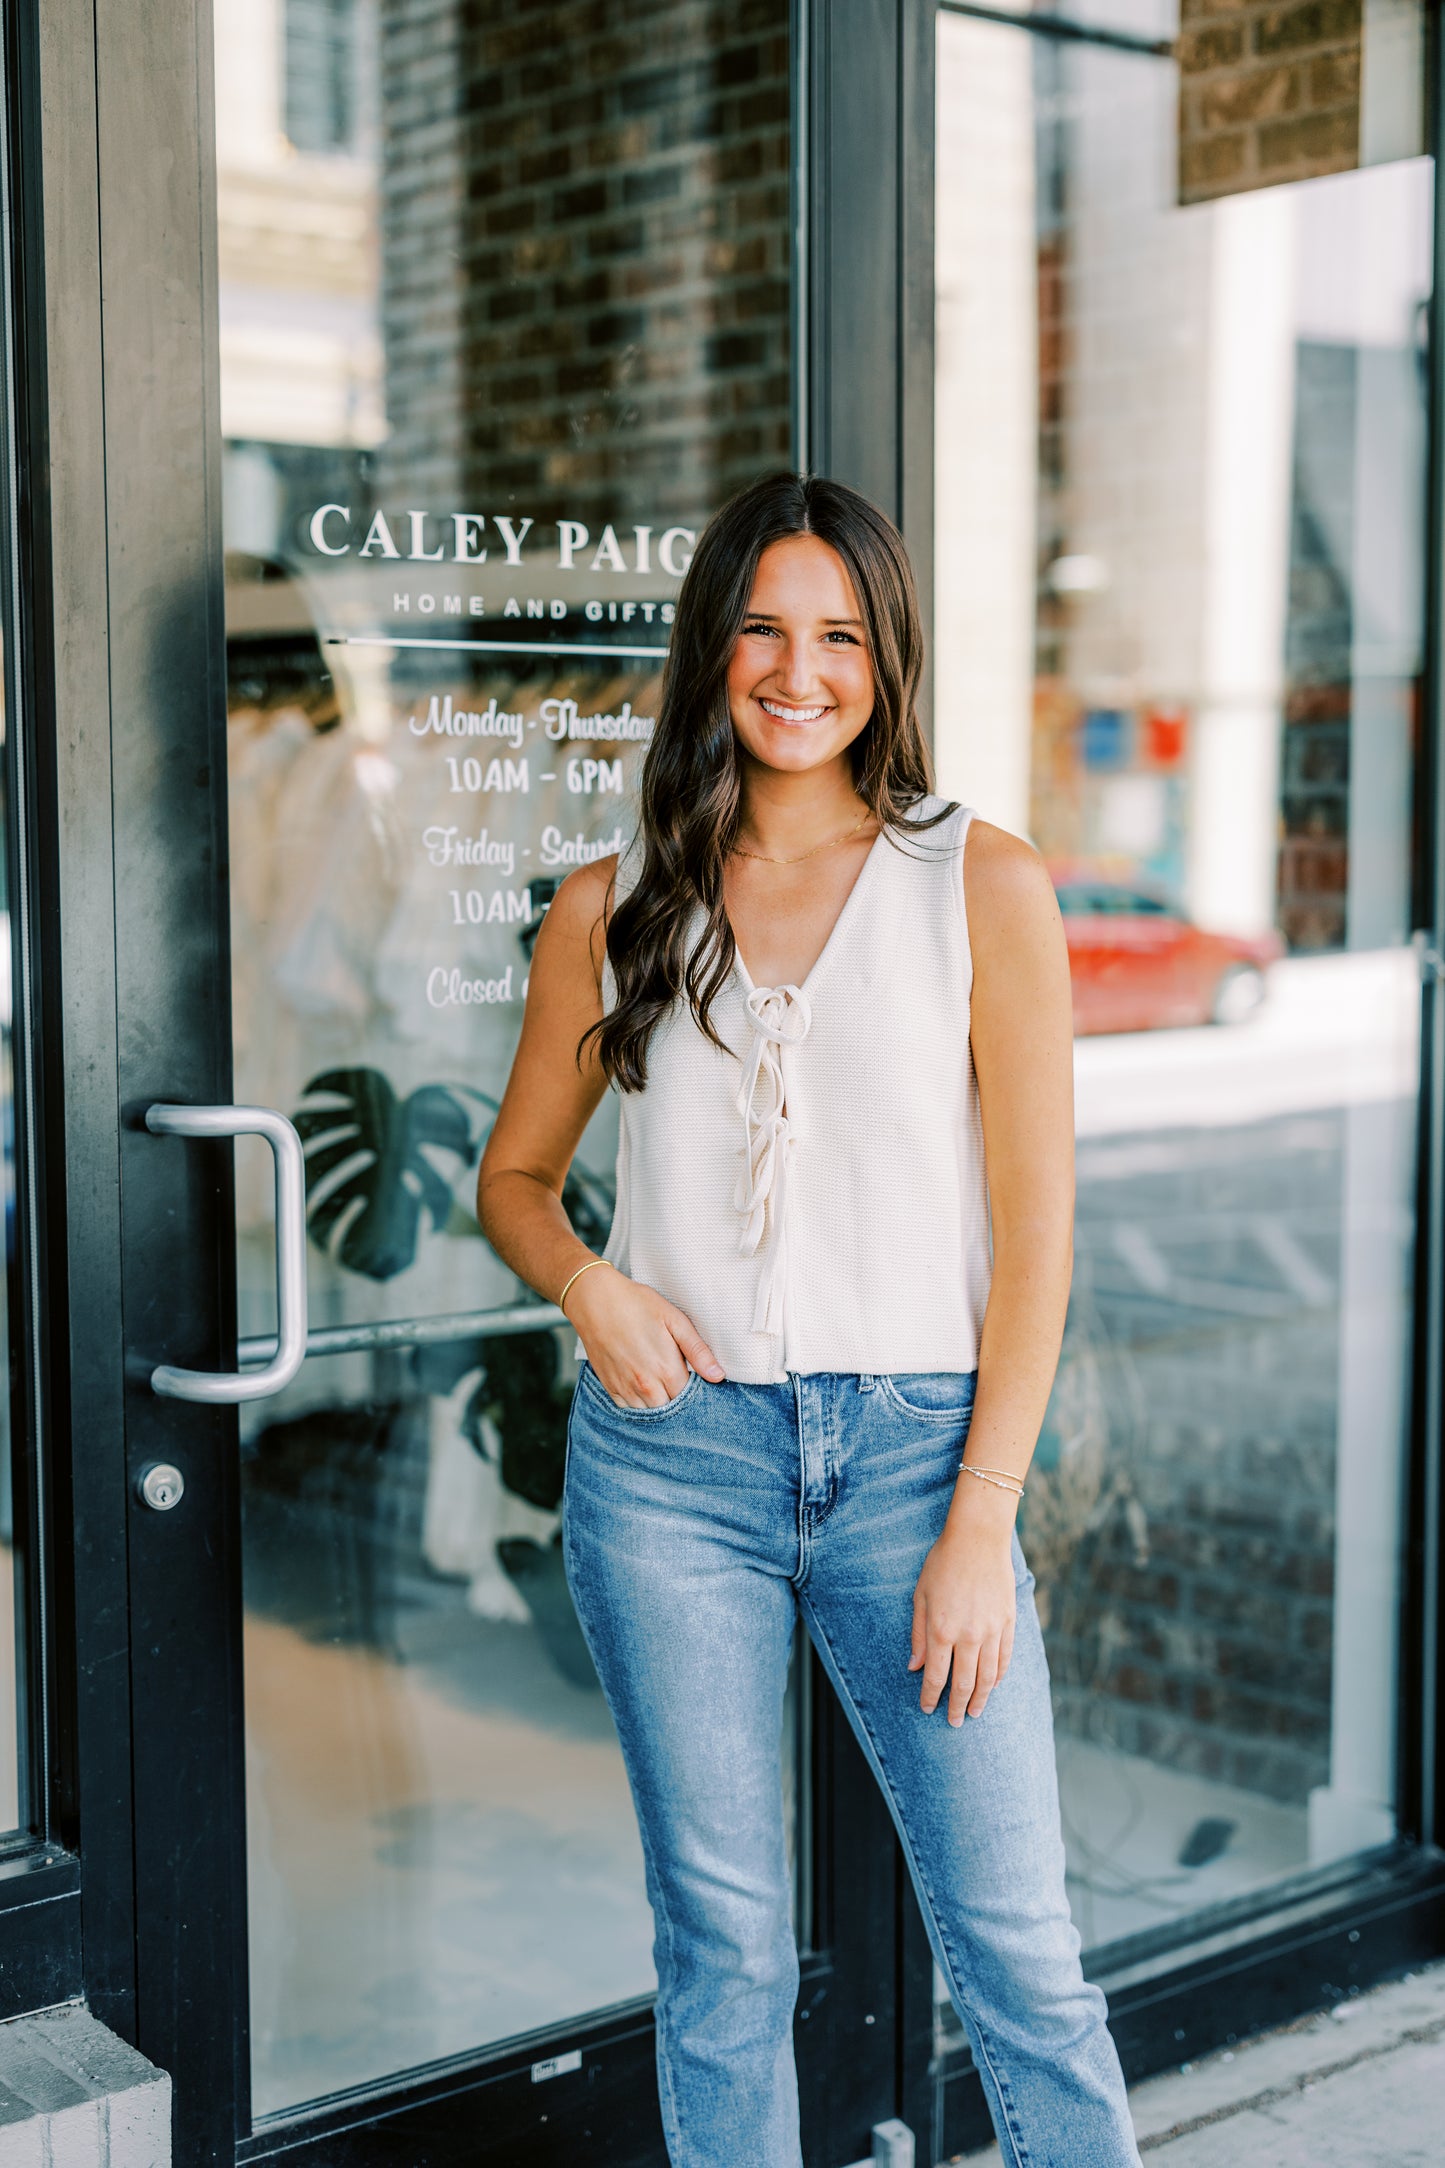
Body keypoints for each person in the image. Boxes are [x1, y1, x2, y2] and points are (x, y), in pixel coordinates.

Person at [477, 472, 1141, 2167]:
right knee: (722, 1955)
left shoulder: (977, 885)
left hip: (922, 1460)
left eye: (838, 634)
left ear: (884, 660)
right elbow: (518, 1183)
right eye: (764, 627)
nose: (798, 669)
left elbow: (1040, 1236)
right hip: (669, 1473)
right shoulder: (606, 902)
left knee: (1017, 1953)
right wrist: (587, 1285)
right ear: (714, 650)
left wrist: (981, 1516)